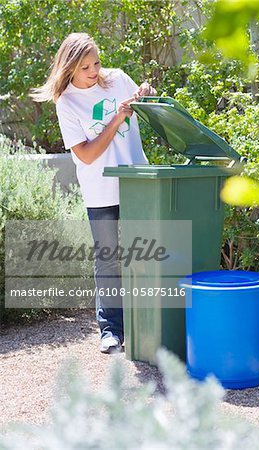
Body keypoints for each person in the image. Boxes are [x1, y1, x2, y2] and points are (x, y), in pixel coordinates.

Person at [30, 32, 156, 353]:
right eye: (85, 66)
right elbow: (86, 154)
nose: (94, 70)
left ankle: (149, 325)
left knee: (145, 255)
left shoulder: (117, 79)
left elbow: (146, 108)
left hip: (135, 182)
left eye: (96, 62)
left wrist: (146, 94)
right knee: (109, 260)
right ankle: (111, 330)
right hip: (100, 189)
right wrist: (116, 119)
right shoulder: (68, 103)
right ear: (70, 68)